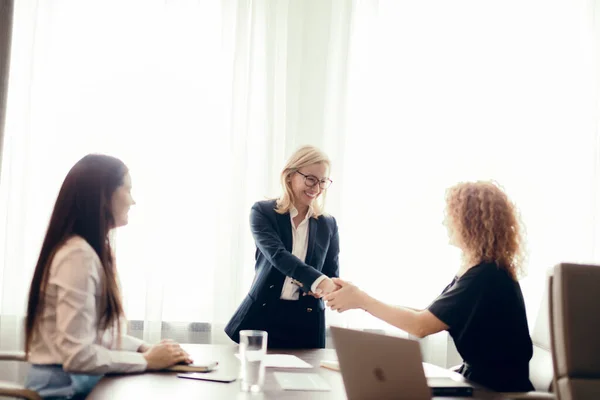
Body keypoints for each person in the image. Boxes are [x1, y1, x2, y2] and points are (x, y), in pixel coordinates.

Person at [324, 181, 535, 392]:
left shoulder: (484, 277)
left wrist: (362, 300)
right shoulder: (479, 271)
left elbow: (420, 326)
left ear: (471, 222)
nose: (445, 223)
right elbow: (429, 315)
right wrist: (361, 299)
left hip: (495, 392)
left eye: (451, 216)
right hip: (481, 383)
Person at [24, 154, 192, 399]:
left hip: (78, 383)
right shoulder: (77, 256)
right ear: (104, 195)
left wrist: (142, 347)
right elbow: (78, 356)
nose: (133, 201)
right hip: (62, 390)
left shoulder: (88, 251)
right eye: (128, 189)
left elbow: (91, 336)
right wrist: (146, 360)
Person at [225, 145, 340, 349]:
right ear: (290, 176)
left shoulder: (327, 223)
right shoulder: (263, 212)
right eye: (310, 179)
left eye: (323, 181)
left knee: (306, 381)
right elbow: (278, 256)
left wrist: (324, 288)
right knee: (254, 378)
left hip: (307, 322)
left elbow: (331, 273)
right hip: (263, 315)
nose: (316, 187)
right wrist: (318, 281)